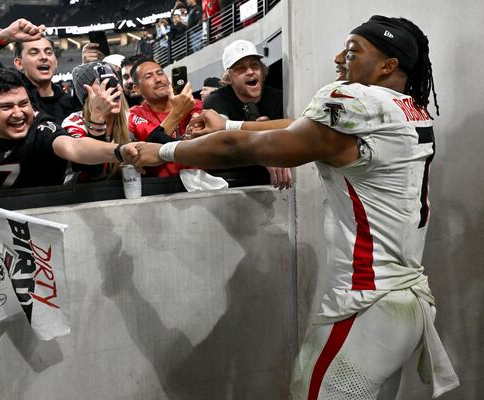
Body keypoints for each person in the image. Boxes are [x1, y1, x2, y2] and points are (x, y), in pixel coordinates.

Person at [133, 15, 459, 399]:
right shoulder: (408, 109)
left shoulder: (356, 102)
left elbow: (247, 150)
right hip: (406, 303)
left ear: (388, 65)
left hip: (366, 305)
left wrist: (164, 150)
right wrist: (230, 124)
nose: (340, 57)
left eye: (352, 51)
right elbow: (302, 126)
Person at [0, 69, 137, 210]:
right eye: (6, 107)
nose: (19, 114)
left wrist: (117, 150)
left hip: (43, 214)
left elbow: (75, 148)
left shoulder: (40, 124)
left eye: (23, 104)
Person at [204, 39, 291, 189]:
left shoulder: (279, 97)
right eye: (240, 68)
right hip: (231, 183)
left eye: (254, 65)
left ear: (262, 71)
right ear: (228, 78)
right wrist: (264, 149)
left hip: (277, 184)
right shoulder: (217, 99)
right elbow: (222, 136)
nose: (250, 71)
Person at [0, 18, 80, 123]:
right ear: (19, 63)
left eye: (49, 52)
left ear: (56, 61)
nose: (44, 57)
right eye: (34, 52)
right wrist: (5, 35)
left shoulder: (71, 102)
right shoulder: (6, 86)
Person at [128, 56, 202, 177]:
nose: (158, 79)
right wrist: (178, 112)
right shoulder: (135, 115)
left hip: (200, 183)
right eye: (148, 76)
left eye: (160, 73)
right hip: (159, 187)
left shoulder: (193, 104)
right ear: (137, 89)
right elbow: (150, 146)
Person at [62, 62, 131, 183]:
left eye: (114, 81)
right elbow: (92, 171)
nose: (112, 87)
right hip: (83, 196)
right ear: (87, 94)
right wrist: (97, 118)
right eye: (102, 82)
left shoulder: (131, 118)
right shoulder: (74, 123)